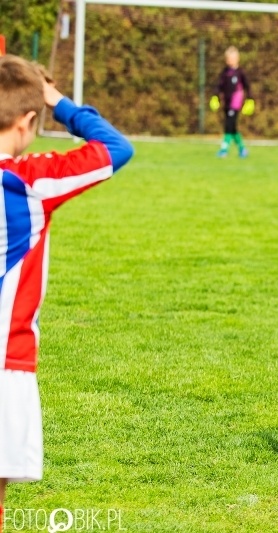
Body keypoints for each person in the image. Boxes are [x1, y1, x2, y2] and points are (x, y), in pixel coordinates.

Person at [0, 55, 133, 515]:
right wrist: (57, 99)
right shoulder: (29, 180)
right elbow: (116, 147)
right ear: (28, 120)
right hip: (6, 361)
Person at [210, 46, 253, 158]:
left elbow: (247, 86)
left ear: (237, 59)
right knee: (232, 128)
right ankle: (242, 149)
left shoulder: (240, 73)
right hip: (226, 102)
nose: (230, 60)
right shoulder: (224, 72)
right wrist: (215, 97)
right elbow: (219, 86)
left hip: (235, 103)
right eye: (228, 58)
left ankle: (224, 150)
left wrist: (250, 100)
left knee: (228, 126)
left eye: (233, 58)